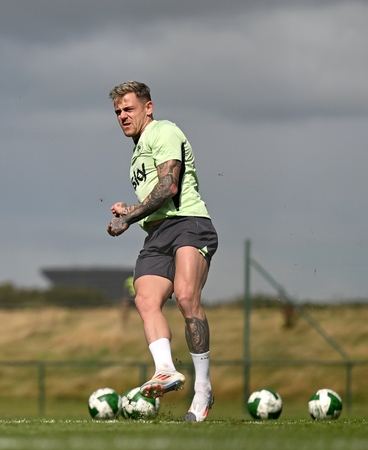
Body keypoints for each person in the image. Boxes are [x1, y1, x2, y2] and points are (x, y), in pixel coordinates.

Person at [105, 81, 218, 422]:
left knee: (185, 297)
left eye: (129, 108)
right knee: (145, 299)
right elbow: (155, 198)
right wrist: (132, 210)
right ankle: (166, 370)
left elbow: (169, 186)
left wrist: (130, 216)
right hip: (157, 233)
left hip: (189, 224)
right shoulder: (136, 152)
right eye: (118, 112)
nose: (123, 116)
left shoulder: (164, 131)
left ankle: (203, 389)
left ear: (148, 107)